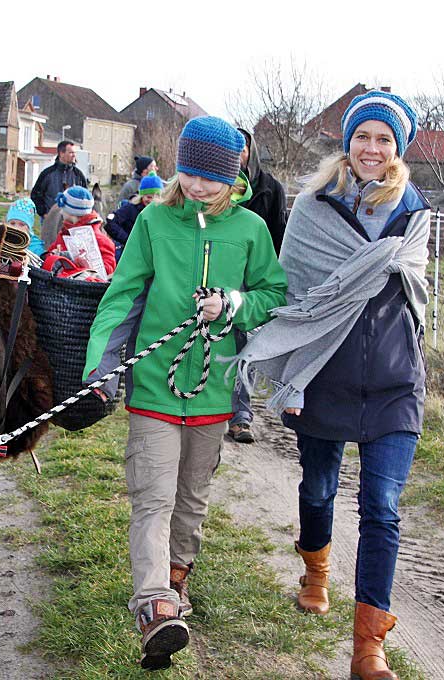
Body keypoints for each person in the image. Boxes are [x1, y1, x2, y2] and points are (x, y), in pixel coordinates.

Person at [235, 91, 429, 680]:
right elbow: (294, 299)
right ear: (348, 142)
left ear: (398, 149)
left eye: (384, 140)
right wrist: (288, 377)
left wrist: (423, 357)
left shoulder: (415, 212)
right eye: (363, 137)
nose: (373, 149)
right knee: (319, 492)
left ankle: (369, 647)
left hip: (396, 383)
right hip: (323, 378)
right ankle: (316, 572)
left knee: (383, 508)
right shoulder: (313, 208)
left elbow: (419, 296)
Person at [84, 116, 287, 670]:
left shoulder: (250, 230)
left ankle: (177, 577)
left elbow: (273, 292)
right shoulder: (152, 221)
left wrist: (235, 303)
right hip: (154, 385)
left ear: (234, 177)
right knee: (153, 496)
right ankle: (154, 606)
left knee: (191, 499)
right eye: (189, 173)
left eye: (210, 178)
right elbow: (121, 298)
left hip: (215, 388)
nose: (197, 186)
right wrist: (102, 371)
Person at [227, 128, 290, 442]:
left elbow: (281, 235)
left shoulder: (270, 189)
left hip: (257, 280)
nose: (238, 153)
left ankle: (239, 413)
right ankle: (238, 415)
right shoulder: (213, 187)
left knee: (246, 346)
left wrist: (275, 280)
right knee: (234, 342)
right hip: (225, 274)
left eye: (242, 148)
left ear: (251, 151)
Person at [42, 185, 116, 279]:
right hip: (60, 286)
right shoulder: (65, 232)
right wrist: (52, 255)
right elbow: (49, 254)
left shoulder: (100, 240)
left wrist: (84, 267)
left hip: (83, 289)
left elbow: (107, 269)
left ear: (73, 213)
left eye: (64, 210)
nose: (61, 213)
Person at [106, 172, 163, 260]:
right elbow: (110, 223)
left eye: (156, 197)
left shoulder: (163, 211)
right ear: (141, 196)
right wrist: (128, 240)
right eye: (149, 197)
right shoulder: (130, 209)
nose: (152, 201)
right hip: (132, 256)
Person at [30, 140, 88, 218]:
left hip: (72, 222)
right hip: (50, 220)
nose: (74, 155)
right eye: (71, 153)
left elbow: (85, 198)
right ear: (61, 153)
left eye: (74, 153)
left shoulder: (78, 175)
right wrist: (43, 213)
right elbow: (35, 195)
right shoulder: (47, 174)